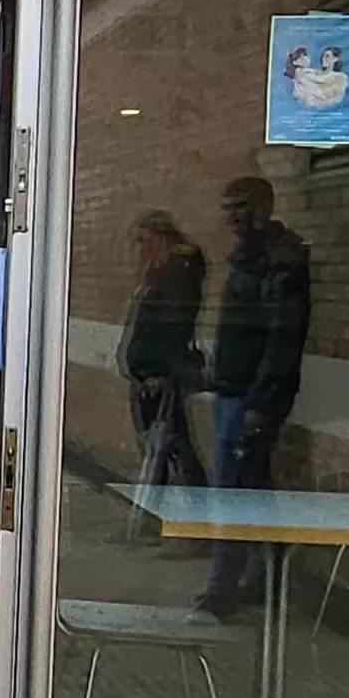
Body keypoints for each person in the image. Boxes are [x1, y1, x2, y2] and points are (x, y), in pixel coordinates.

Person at [199, 175, 312, 617]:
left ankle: (226, 587)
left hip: (251, 396)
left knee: (234, 491)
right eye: (228, 206)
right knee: (251, 486)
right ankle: (262, 576)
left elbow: (281, 338)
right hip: (235, 390)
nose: (232, 215)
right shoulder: (247, 258)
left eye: (241, 206)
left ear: (264, 207)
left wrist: (261, 402)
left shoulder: (278, 261)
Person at [120, 208, 207, 491]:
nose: (141, 248)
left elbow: (173, 327)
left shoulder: (177, 271)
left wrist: (159, 371)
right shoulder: (158, 272)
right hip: (149, 374)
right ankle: (163, 514)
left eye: (145, 240)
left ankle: (193, 512)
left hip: (160, 377)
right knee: (161, 446)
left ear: (159, 237)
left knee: (172, 445)